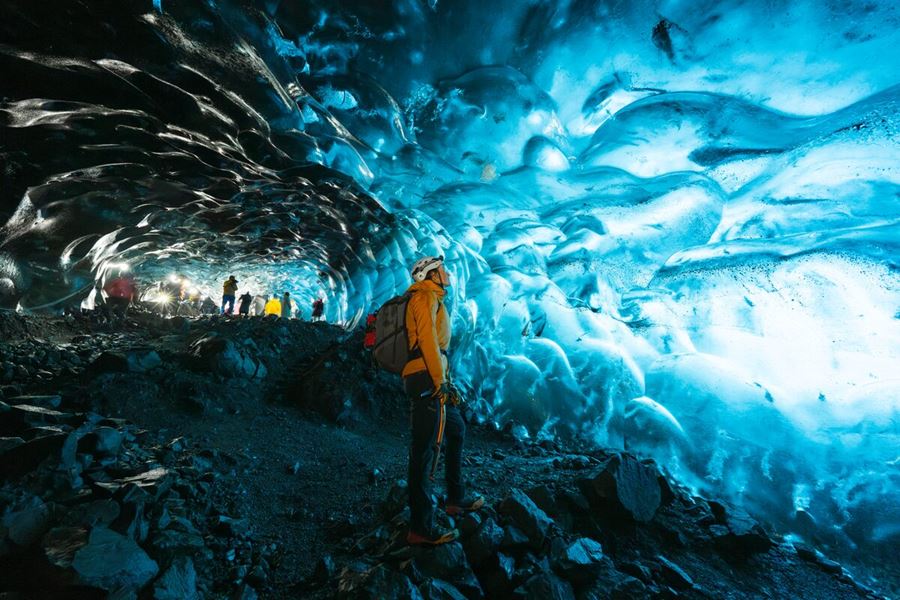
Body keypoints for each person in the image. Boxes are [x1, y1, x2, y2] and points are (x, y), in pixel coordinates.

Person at [402, 256, 484, 546]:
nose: (448, 273)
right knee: (424, 449)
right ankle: (420, 528)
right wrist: (439, 384)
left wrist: (445, 381)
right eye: (442, 270)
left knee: (456, 430)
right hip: (426, 378)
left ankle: (455, 498)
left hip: (436, 376)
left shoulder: (434, 298)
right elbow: (426, 341)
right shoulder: (422, 296)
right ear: (430, 275)